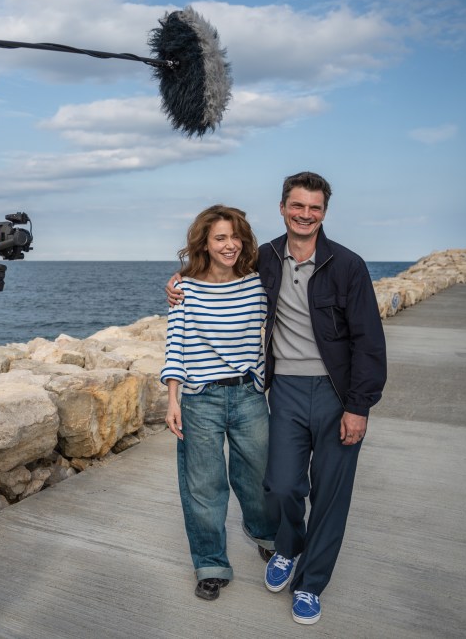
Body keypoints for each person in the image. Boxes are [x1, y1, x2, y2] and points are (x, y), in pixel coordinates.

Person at [166, 172, 387, 624]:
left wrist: (358, 406)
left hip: (336, 394)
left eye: (315, 207)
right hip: (283, 389)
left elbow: (369, 342)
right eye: (297, 206)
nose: (305, 214)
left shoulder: (347, 265)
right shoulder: (265, 258)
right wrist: (178, 282)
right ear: (283, 208)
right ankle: (286, 546)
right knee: (281, 485)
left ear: (324, 212)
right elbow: (216, 274)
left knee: (329, 495)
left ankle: (310, 585)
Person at [160, 205, 277, 602]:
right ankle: (210, 564)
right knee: (204, 487)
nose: (230, 245)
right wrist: (173, 399)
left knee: (259, 478)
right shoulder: (186, 290)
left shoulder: (257, 284)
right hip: (200, 400)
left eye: (235, 236)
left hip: (248, 396)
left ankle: (265, 535)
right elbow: (176, 345)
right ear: (205, 244)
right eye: (220, 238)